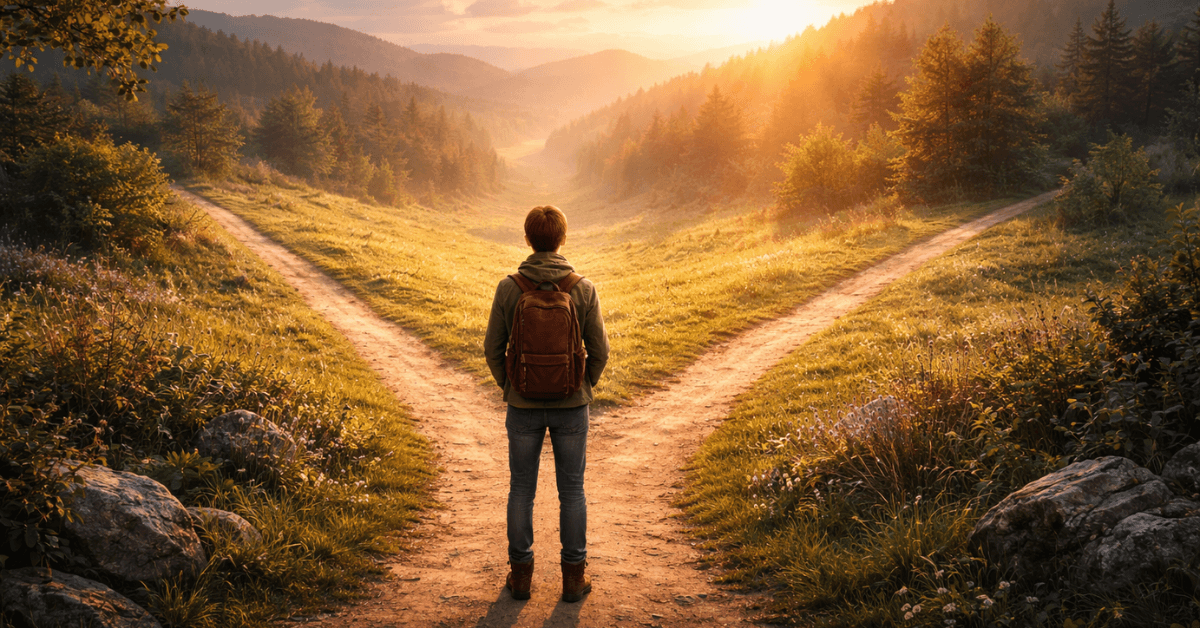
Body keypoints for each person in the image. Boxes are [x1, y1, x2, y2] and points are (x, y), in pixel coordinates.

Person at [484, 205, 609, 602]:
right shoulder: (583, 287)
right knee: (572, 490)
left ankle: (520, 577)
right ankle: (573, 579)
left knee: (521, 488)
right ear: (562, 239)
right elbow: (600, 351)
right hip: (572, 406)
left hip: (522, 406)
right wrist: (581, 386)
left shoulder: (509, 287)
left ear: (528, 239)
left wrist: (512, 387)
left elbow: (492, 348)